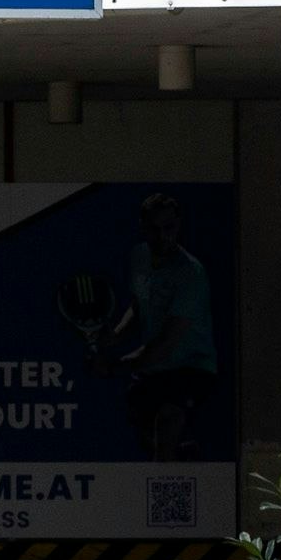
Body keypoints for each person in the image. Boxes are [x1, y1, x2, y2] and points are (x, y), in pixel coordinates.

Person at [120, 192, 218, 463]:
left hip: (192, 366)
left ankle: (164, 478)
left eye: (169, 227)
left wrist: (118, 365)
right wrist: (113, 336)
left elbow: (165, 344)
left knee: (168, 419)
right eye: (154, 229)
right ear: (143, 227)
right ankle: (179, 455)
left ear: (179, 225)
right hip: (152, 370)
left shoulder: (191, 273)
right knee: (143, 428)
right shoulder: (138, 257)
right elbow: (138, 305)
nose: (163, 236)